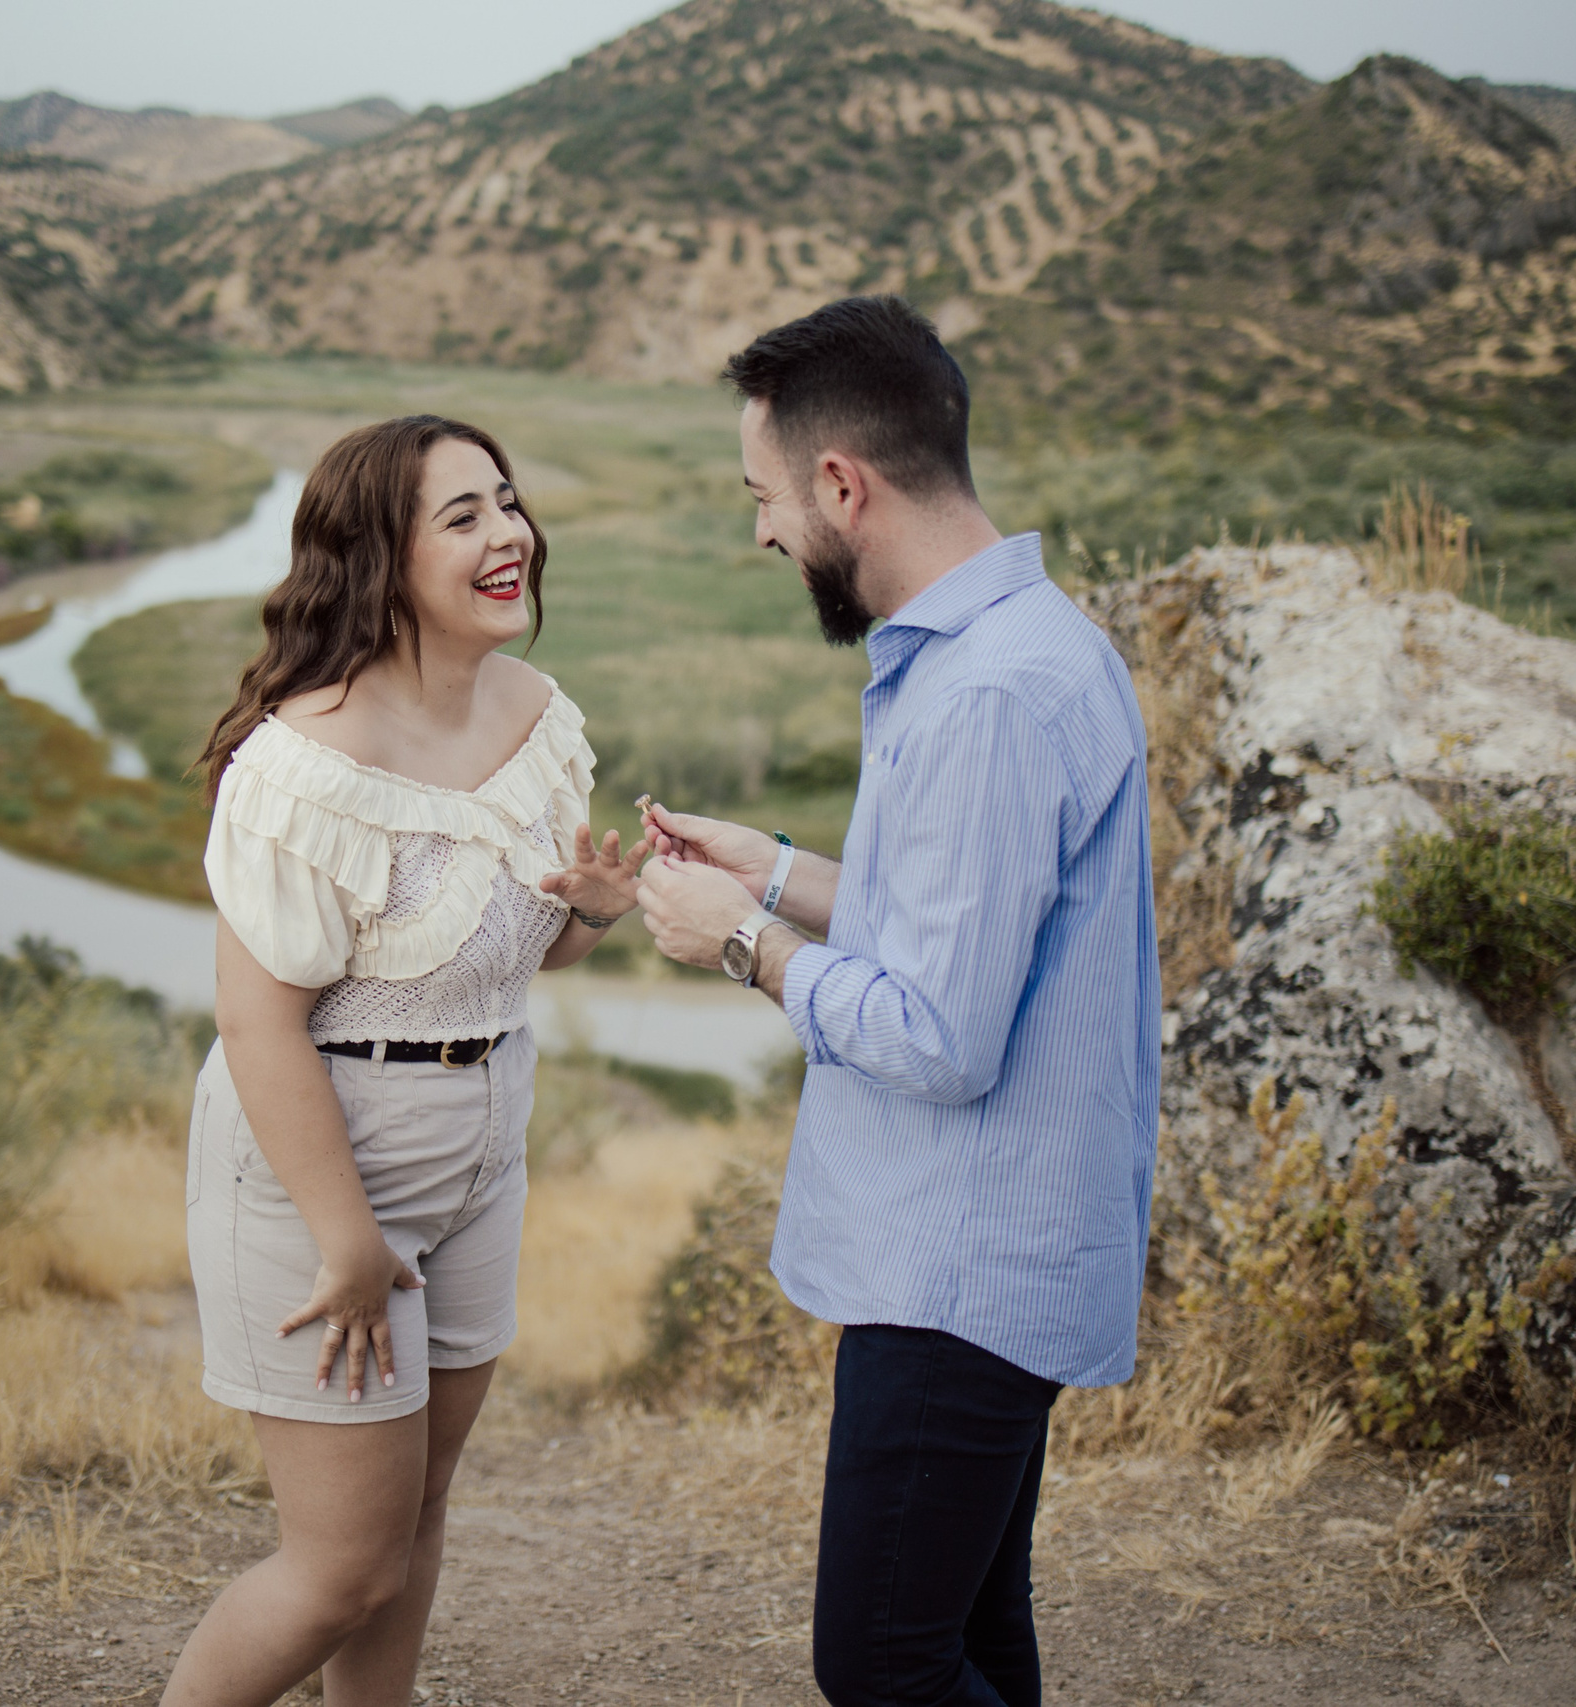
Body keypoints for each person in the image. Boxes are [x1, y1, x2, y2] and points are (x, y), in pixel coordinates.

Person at [632, 296, 1160, 1707]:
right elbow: (958, 922)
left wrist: (742, 945)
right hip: (988, 1248)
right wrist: (774, 871)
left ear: (841, 483)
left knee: (881, 1662)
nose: (762, 533)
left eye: (763, 497)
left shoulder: (989, 695)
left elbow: (939, 1034)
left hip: (956, 1269)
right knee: (973, 1634)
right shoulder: (1030, 643)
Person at [162, 415, 650, 1707]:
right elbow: (259, 1025)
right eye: (463, 516)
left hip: (484, 1144)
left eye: (508, 502)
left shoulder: (537, 717)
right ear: (381, 557)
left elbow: (518, 959)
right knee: (342, 1570)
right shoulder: (303, 765)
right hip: (329, 1169)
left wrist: (595, 912)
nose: (509, 535)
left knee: (418, 1514)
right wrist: (349, 1240)